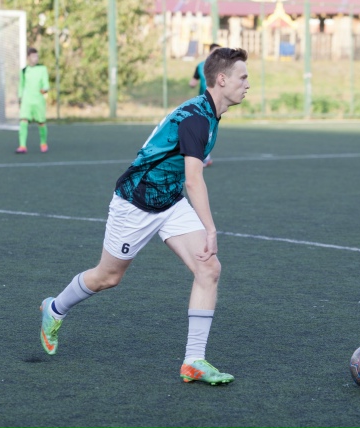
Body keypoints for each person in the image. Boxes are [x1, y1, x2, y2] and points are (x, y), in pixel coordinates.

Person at [40, 48, 250, 385]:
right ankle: (54, 308)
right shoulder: (196, 118)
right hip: (135, 202)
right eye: (243, 77)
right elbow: (194, 180)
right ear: (222, 80)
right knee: (108, 277)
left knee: (209, 268)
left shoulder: (210, 113)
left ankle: (194, 361)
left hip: (169, 201)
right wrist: (210, 228)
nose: (247, 84)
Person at [189, 43, 221, 167]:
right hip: (204, 103)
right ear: (210, 52)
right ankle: (205, 157)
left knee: (206, 129)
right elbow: (193, 82)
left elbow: (192, 83)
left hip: (214, 103)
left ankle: (205, 157)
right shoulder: (203, 66)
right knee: (204, 129)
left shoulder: (219, 67)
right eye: (216, 52)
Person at [15, 47, 50, 154]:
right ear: (28, 57)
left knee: (41, 122)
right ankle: (22, 146)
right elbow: (21, 86)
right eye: (33, 56)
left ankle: (43, 143)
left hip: (38, 100)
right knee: (23, 120)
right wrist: (20, 98)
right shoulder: (24, 71)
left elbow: (46, 83)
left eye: (37, 56)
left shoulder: (42, 69)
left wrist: (45, 88)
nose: (36, 58)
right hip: (27, 100)